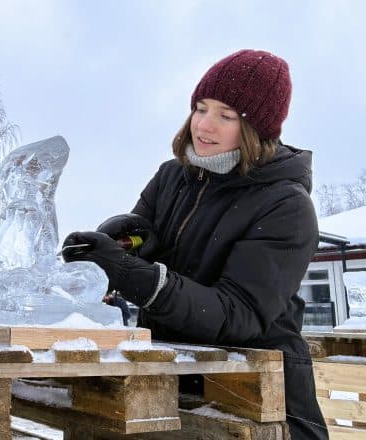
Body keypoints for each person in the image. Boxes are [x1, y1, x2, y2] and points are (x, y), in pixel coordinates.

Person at [62, 49, 328, 439]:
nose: (204, 125)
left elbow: (235, 313)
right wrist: (117, 246)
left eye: (226, 115)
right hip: (171, 384)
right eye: (200, 108)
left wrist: (133, 274)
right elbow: (151, 257)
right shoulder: (173, 176)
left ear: (258, 129)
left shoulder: (287, 206)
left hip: (257, 404)